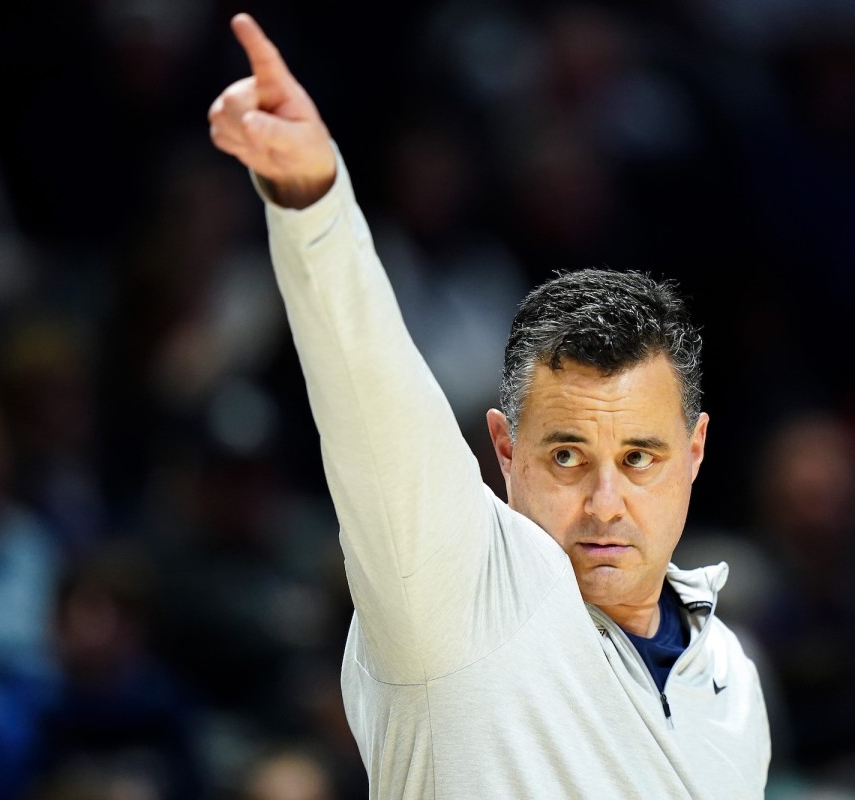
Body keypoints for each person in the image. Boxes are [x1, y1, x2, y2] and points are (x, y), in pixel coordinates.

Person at [208, 13, 770, 798]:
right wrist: (312, 203)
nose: (605, 504)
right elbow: (370, 400)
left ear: (696, 451)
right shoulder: (457, 595)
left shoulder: (731, 675)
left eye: (639, 458)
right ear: (504, 452)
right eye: (567, 456)